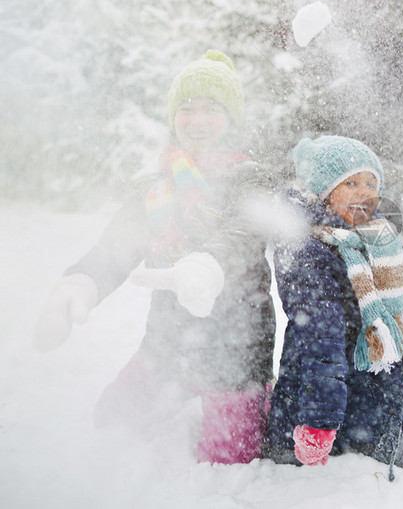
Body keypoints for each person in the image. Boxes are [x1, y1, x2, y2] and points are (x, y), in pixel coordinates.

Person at [32, 50, 276, 462]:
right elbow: (117, 245)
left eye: (211, 109)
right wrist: (81, 282)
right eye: (187, 108)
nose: (197, 120)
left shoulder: (250, 177)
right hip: (169, 345)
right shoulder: (154, 187)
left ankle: (259, 397)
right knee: (111, 422)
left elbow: (245, 235)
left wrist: (207, 266)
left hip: (236, 350)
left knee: (228, 459)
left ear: (232, 119)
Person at [263, 135, 403, 476]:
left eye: (371, 182)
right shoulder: (303, 247)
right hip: (313, 386)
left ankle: (359, 430)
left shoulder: (379, 240)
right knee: (293, 465)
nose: (365, 192)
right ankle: (313, 433)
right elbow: (320, 335)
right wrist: (319, 420)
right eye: (351, 182)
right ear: (323, 191)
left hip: (376, 380)